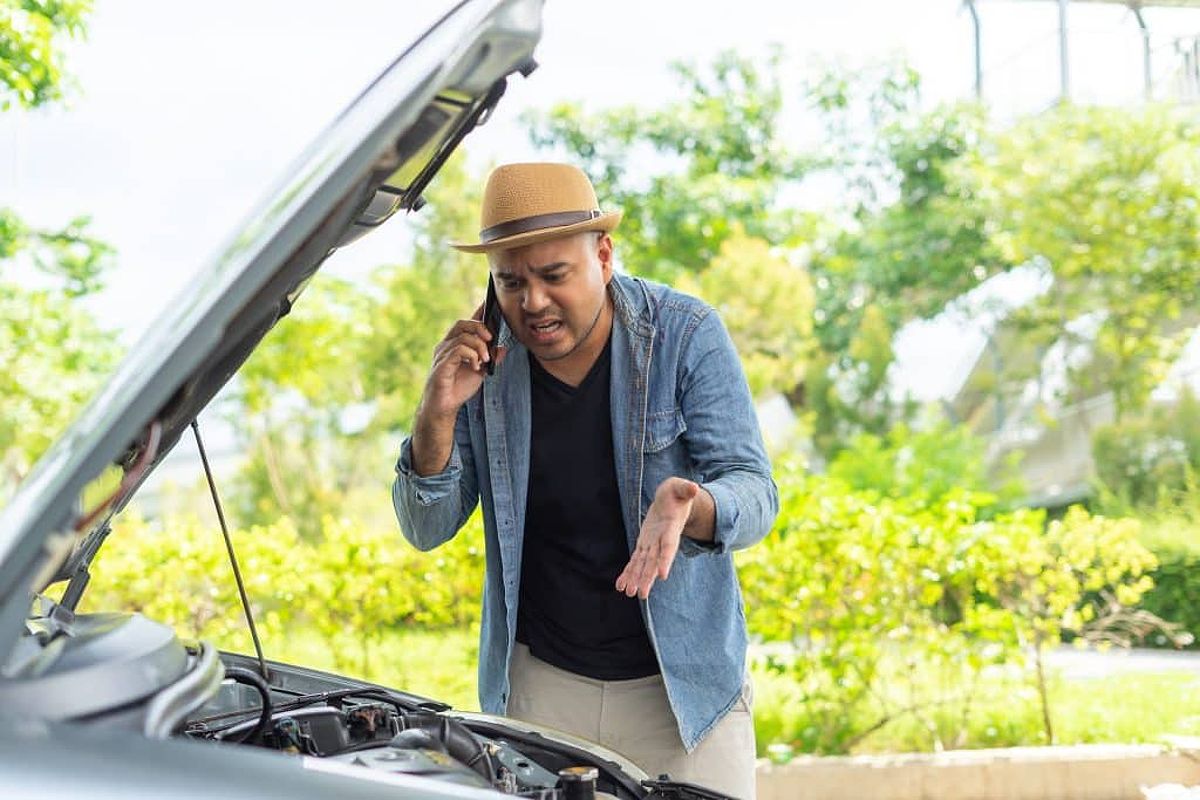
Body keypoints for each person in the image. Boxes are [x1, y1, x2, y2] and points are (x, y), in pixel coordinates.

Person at [392, 162, 777, 799]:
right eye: (510, 282)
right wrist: (436, 412)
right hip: (543, 693)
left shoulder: (685, 335)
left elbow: (756, 492)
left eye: (553, 276)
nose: (532, 303)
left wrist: (694, 503)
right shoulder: (481, 364)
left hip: (682, 694)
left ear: (603, 256)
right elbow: (426, 527)